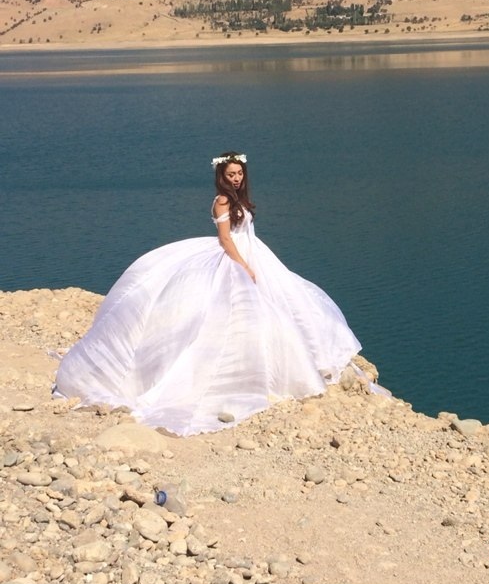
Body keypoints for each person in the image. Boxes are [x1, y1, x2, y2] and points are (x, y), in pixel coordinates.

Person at [54, 152, 362, 435]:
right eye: (231, 174)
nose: (236, 178)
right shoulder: (222, 202)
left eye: (239, 173)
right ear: (221, 176)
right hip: (237, 258)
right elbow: (226, 239)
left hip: (255, 253)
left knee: (280, 305)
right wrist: (244, 266)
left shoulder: (239, 199)